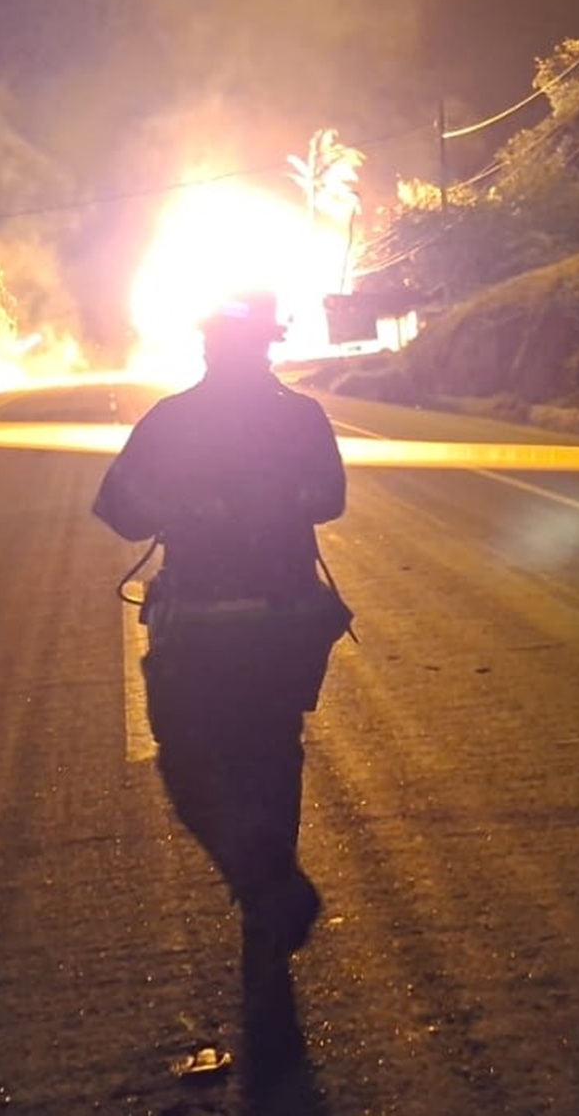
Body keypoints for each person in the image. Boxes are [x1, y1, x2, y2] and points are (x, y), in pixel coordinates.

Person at [91, 289, 351, 1069]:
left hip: (204, 626)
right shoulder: (300, 418)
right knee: (275, 752)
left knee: (191, 764)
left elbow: (117, 511)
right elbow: (329, 500)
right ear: (268, 345)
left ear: (207, 346)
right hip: (281, 624)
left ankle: (263, 879)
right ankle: (265, 890)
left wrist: (192, 505)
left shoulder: (171, 420)